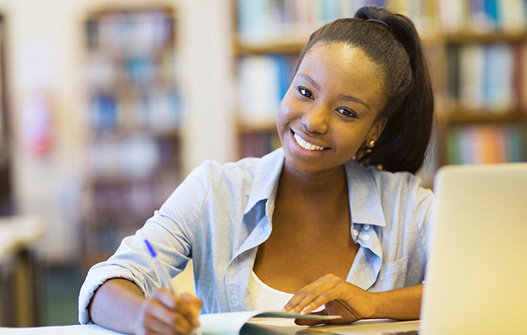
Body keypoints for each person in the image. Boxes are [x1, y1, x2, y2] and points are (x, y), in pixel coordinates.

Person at [78, 5, 436, 335]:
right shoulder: (215, 190)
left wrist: (374, 304)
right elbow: (108, 282)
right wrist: (144, 317)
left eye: (346, 112)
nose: (313, 122)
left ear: (374, 130)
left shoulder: (408, 205)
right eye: (305, 92)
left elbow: (481, 287)